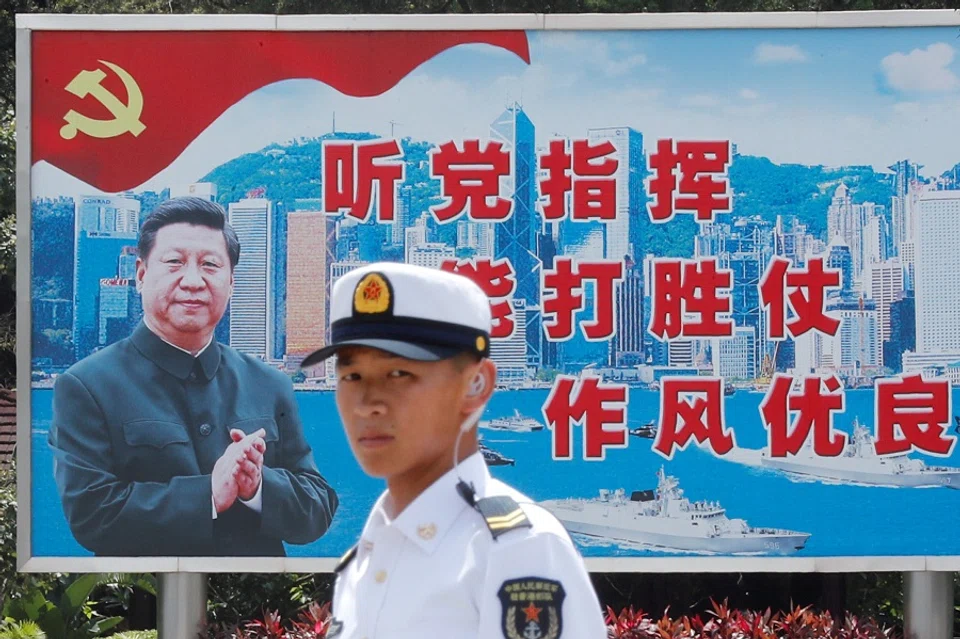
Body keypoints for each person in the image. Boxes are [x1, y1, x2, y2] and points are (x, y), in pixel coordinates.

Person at [300, 262, 608, 638]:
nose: (367, 403)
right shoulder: (363, 559)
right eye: (351, 375)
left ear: (476, 384)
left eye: (400, 373)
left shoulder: (515, 550)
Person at [49, 196, 338, 557]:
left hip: (259, 607)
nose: (192, 281)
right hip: (143, 606)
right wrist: (210, 494)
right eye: (174, 263)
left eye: (209, 265)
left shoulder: (269, 383)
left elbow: (318, 506)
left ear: (231, 283)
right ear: (140, 274)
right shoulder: (87, 386)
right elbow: (92, 515)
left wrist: (258, 486)